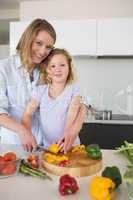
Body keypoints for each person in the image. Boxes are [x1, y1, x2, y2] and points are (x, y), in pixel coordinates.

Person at [0, 18, 86, 152]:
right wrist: (23, 131)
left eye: (48, 47)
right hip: (16, 146)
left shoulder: (48, 70)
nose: (42, 51)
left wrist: (76, 127)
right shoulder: (3, 68)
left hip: (46, 146)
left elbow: (79, 102)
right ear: (27, 39)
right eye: (39, 43)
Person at [22, 48, 85, 153]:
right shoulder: (40, 91)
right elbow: (27, 114)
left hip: (71, 146)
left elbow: (72, 113)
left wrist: (66, 135)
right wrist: (27, 134)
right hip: (48, 148)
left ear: (69, 67)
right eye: (53, 66)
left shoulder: (74, 89)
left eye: (62, 65)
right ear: (47, 70)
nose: (58, 69)